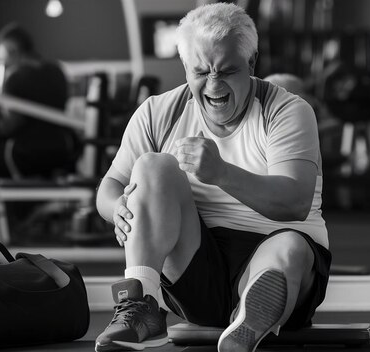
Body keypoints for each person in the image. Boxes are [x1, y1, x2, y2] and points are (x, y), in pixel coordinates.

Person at [94, 4, 331, 352]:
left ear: (251, 64)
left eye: (227, 70)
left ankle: (250, 318)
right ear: (185, 67)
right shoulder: (158, 112)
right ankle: (143, 306)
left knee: (289, 248)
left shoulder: (287, 110)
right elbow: (109, 188)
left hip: (277, 251)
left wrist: (220, 173)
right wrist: (120, 210)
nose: (214, 84)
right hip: (194, 265)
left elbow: (294, 202)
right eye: (201, 71)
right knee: (153, 166)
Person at [0, 23, 77, 180]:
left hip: (26, 153)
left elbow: (10, 125)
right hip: (63, 147)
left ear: (11, 50)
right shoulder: (56, 70)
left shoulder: (15, 78)